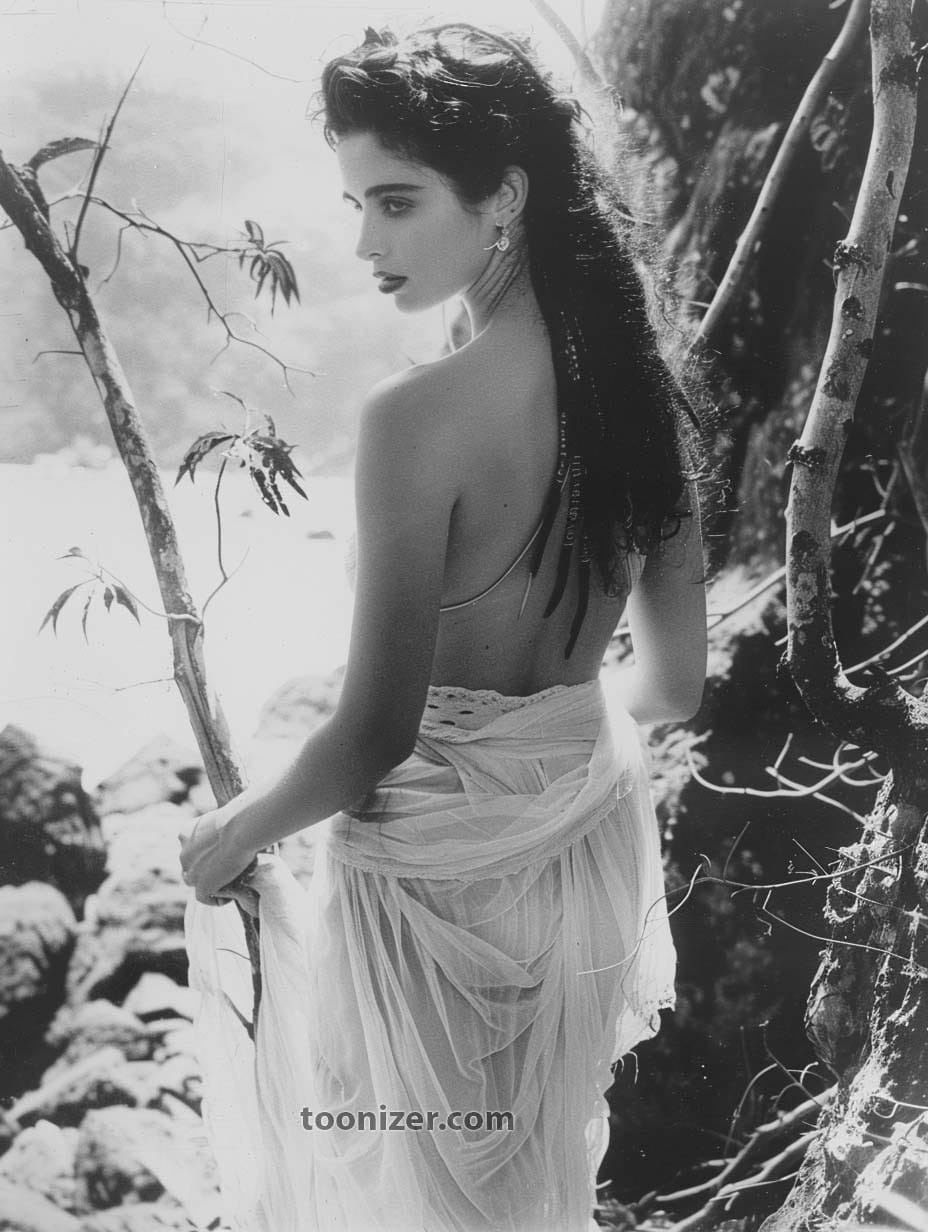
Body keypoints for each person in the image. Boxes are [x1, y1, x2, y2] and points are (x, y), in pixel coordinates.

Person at [179, 21, 707, 1232]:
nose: (364, 239)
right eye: (357, 202)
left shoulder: (416, 417)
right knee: (524, 1195)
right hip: (574, 853)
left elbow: (372, 734)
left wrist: (234, 831)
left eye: (397, 202)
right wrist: (542, 740)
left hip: (429, 891)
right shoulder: (645, 400)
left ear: (504, 195)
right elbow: (672, 687)